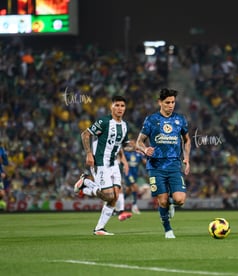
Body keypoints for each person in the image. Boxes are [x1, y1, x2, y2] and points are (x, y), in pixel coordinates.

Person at [136, 88, 191, 239]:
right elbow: (139, 142)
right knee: (162, 200)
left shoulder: (180, 119)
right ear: (160, 102)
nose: (171, 105)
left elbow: (187, 140)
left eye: (173, 102)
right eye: (167, 102)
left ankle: (172, 203)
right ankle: (168, 229)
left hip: (174, 165)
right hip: (156, 166)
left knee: (180, 199)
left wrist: (186, 158)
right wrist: (145, 149)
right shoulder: (151, 120)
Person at [74, 95, 132, 235]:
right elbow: (85, 135)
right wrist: (89, 154)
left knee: (115, 196)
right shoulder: (104, 121)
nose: (119, 108)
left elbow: (124, 145)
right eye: (116, 105)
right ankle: (86, 183)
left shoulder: (124, 126)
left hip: (114, 164)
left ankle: (99, 228)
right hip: (100, 162)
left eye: (122, 106)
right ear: (111, 107)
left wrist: (141, 149)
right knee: (108, 195)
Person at [122, 149, 147, 214]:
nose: (131, 145)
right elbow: (122, 160)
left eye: (133, 143)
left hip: (135, 174)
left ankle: (120, 203)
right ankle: (134, 205)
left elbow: (144, 162)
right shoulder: (126, 153)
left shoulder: (139, 154)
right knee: (135, 186)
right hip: (128, 173)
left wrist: (145, 154)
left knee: (129, 190)